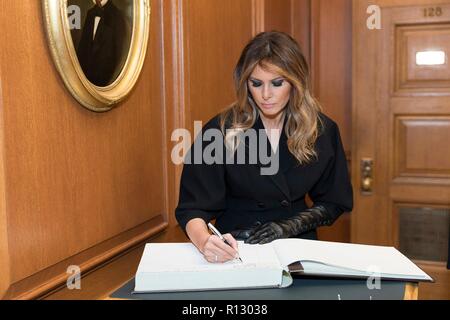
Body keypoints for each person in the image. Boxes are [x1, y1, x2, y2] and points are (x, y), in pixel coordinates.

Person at [175, 31, 353, 264]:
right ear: (244, 83)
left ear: (296, 82)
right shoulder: (219, 130)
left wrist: (288, 227)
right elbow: (192, 208)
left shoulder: (322, 130)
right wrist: (205, 242)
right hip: (236, 249)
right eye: (256, 84)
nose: (266, 95)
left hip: (298, 249)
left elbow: (335, 202)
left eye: (277, 83)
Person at [76, 0, 127, 86]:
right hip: (85, 80)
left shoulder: (117, 16)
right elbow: (83, 48)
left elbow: (119, 54)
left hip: (106, 82)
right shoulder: (90, 13)